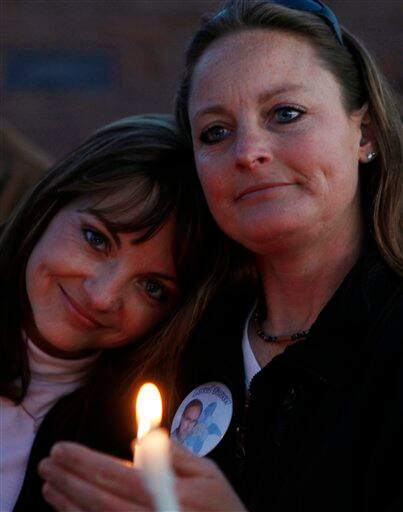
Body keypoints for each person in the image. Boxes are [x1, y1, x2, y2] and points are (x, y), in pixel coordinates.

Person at [39, 0, 403, 511]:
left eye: (286, 114)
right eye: (216, 131)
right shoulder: (165, 333)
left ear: (363, 133)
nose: (248, 151)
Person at [0, 114, 226, 512]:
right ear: (49, 205)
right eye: (96, 239)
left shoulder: (139, 445)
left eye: (152, 287)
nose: (103, 296)